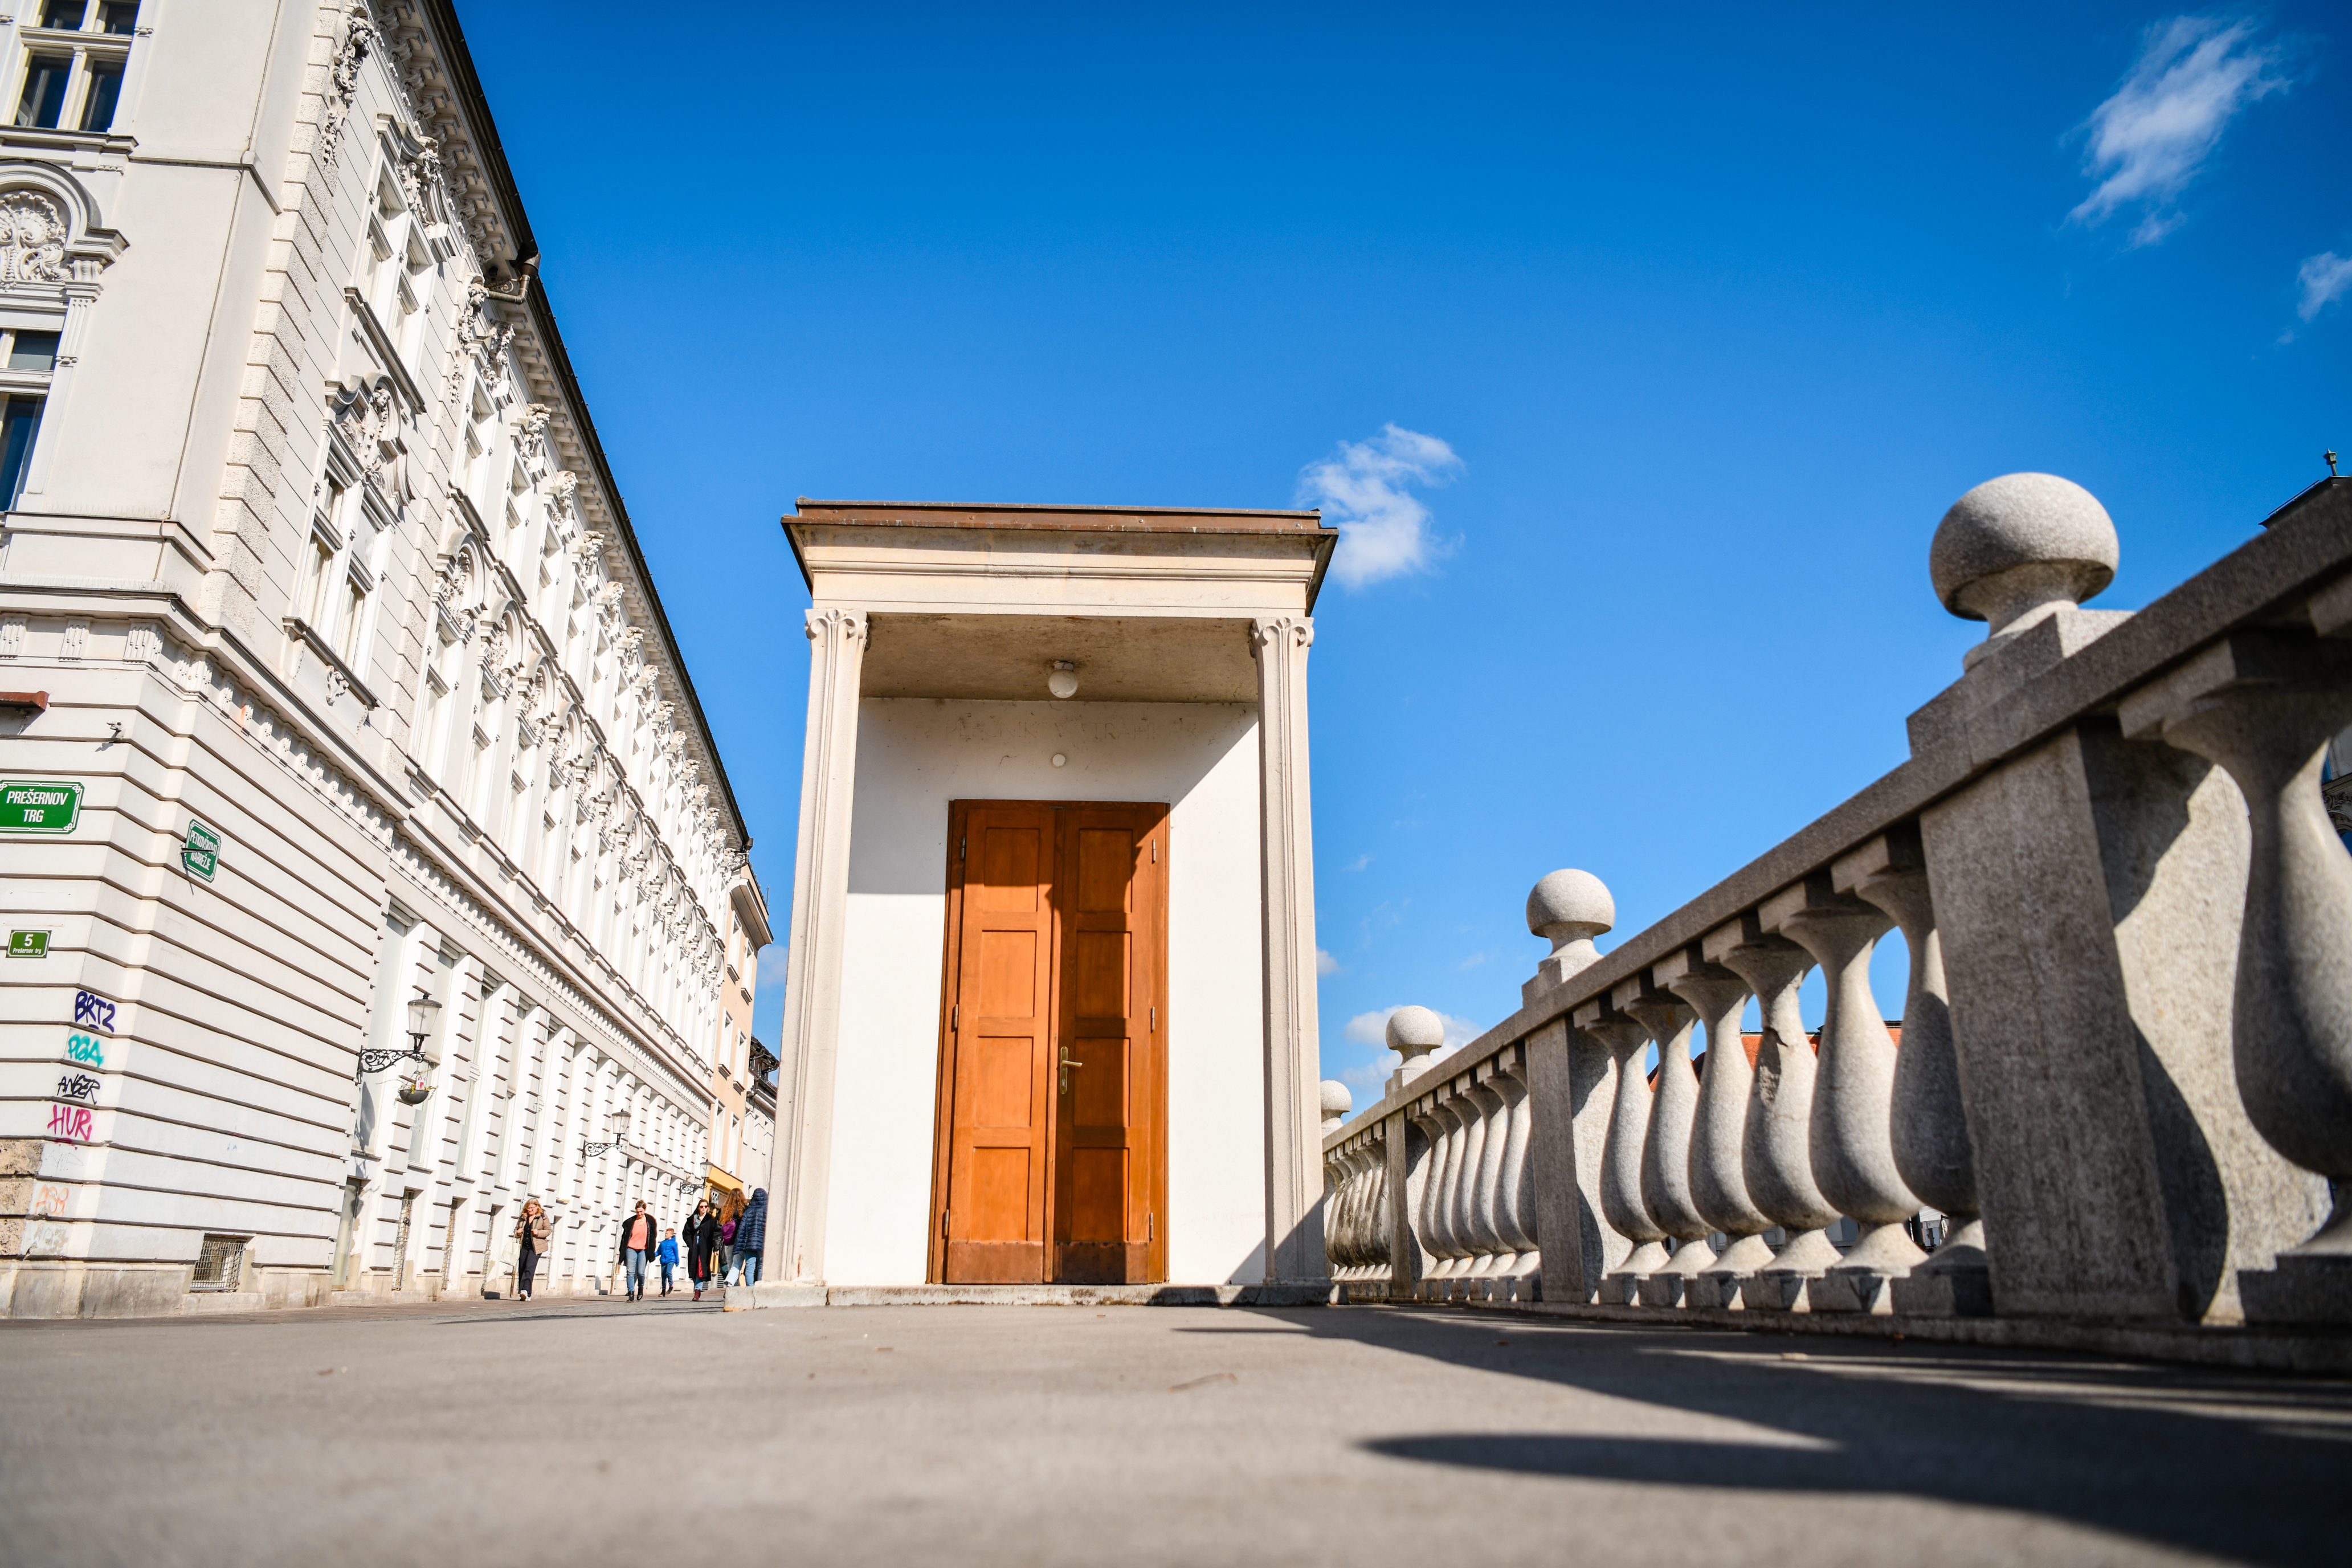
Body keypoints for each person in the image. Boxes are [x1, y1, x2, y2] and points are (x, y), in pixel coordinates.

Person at [512, 1199, 552, 1301]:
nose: (530, 1210)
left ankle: (525, 1290)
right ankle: (525, 1292)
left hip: (536, 1247)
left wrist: (538, 1233)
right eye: (528, 1208)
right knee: (522, 1268)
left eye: (532, 1208)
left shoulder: (542, 1217)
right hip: (524, 1246)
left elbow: (548, 1230)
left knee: (529, 1268)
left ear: (537, 1207)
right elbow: (516, 1230)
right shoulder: (523, 1217)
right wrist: (518, 1232)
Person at [617, 1199, 656, 1302]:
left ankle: (641, 1288)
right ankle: (631, 1293)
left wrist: (652, 1251)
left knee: (640, 1272)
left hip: (643, 1250)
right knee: (630, 1271)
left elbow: (653, 1238)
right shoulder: (630, 1222)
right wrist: (621, 1252)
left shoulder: (650, 1222)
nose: (639, 1214)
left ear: (644, 1211)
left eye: (641, 1212)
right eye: (638, 1212)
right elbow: (624, 1238)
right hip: (631, 1248)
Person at [683, 1198, 720, 1301]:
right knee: (693, 1267)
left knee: (701, 1268)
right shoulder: (692, 1220)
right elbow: (686, 1233)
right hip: (694, 1246)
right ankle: (697, 1287)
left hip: (705, 1247)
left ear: (708, 1208)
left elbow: (716, 1234)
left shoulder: (711, 1220)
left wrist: (716, 1247)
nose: (704, 1208)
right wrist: (690, 1244)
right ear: (699, 1208)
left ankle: (697, 1291)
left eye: (706, 1207)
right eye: (702, 1207)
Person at [733, 1187, 767, 1287]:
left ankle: (750, 1288)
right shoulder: (768, 1212)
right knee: (761, 1266)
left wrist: (737, 1246)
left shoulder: (747, 1212)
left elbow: (741, 1230)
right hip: (762, 1244)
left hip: (748, 1244)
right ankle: (759, 1287)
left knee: (749, 1267)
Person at [657, 1227, 679, 1296]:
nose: (666, 1235)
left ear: (671, 1235)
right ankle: (663, 1291)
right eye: (665, 1234)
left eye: (667, 1234)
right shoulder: (662, 1243)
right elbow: (658, 1252)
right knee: (663, 1276)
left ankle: (671, 1285)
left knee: (668, 1272)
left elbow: (676, 1253)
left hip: (671, 1260)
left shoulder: (674, 1243)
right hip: (663, 1261)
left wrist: (677, 1261)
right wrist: (651, 1255)